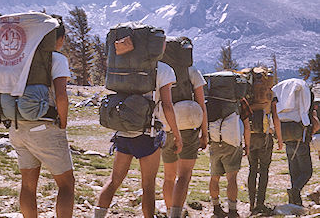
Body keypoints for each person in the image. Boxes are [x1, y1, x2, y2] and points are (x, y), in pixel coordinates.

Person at [94, 60, 183, 218]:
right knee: (148, 185)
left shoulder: (123, 64)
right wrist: (177, 134)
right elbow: (167, 106)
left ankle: (98, 215)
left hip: (123, 130)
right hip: (147, 134)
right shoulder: (163, 69)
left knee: (114, 181)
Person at [9, 17, 75, 218]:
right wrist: (62, 123)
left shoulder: (19, 58)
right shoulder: (57, 59)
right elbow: (61, 97)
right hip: (44, 128)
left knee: (28, 185)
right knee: (66, 184)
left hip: (16, 126)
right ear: (60, 39)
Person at [161, 66, 208, 218]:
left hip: (166, 125)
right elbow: (202, 105)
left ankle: (169, 213)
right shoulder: (192, 71)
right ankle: (176, 214)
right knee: (184, 175)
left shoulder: (160, 69)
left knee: (168, 176)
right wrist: (204, 133)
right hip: (188, 125)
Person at [272, 78, 313, 206]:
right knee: (307, 171)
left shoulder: (283, 110)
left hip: (286, 134)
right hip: (299, 133)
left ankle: (295, 201)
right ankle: (295, 191)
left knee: (293, 171)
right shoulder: (303, 93)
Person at [209, 98, 251, 218]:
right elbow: (247, 127)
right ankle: (232, 211)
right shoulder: (240, 100)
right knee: (231, 177)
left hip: (215, 141)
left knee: (214, 177)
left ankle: (216, 208)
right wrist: (247, 145)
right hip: (232, 142)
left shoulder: (212, 98)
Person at [247, 108, 283, 214]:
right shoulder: (270, 95)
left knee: (252, 169)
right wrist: (279, 139)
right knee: (264, 170)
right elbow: (275, 116)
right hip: (265, 136)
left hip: (250, 135)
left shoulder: (248, 92)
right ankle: (260, 203)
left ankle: (251, 203)